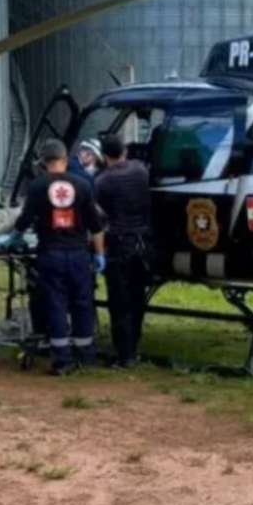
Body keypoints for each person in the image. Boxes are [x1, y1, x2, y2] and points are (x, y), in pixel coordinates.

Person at [13, 139, 105, 376]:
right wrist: (100, 254)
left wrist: (15, 237)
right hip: (78, 253)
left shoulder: (37, 186)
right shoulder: (83, 185)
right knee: (83, 302)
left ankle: (62, 361)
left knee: (56, 303)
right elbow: (96, 226)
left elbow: (24, 219)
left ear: (44, 163)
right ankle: (86, 356)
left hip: (50, 253)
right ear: (65, 159)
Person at [94, 133, 153, 368]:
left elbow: (98, 216)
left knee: (119, 300)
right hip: (143, 242)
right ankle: (135, 344)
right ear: (125, 151)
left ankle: (125, 354)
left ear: (103, 155)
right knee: (138, 298)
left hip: (118, 243)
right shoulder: (141, 171)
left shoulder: (102, 181)